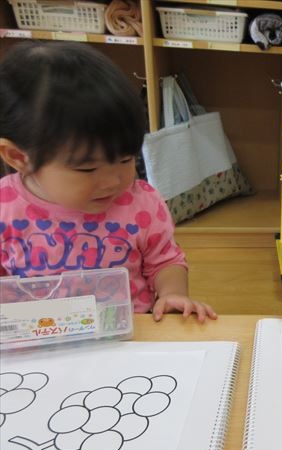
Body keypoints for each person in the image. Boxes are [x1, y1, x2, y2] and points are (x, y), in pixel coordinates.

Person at [0, 41, 215, 322]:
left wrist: (172, 294)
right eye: (87, 169)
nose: (114, 181)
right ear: (18, 157)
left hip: (129, 332)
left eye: (126, 159)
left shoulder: (140, 202)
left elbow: (165, 260)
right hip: (39, 335)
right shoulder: (5, 209)